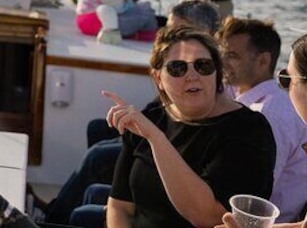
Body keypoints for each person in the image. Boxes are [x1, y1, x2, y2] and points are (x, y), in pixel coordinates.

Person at [41, 0, 222, 226]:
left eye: (178, 29)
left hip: (173, 150)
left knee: (97, 157)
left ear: (205, 32)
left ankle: (49, 219)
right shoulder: (178, 59)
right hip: (160, 132)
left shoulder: (207, 76)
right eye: (168, 28)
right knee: (99, 129)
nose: (169, 35)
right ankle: (56, 210)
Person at [105, 26, 275, 227]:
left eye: (203, 66)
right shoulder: (152, 116)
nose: (192, 76)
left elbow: (207, 216)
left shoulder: (248, 130)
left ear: (217, 73)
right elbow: (120, 206)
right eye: (177, 68)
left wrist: (156, 138)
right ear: (158, 78)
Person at [218, 17, 307, 222]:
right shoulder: (246, 102)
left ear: (263, 61)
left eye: (286, 79)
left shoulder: (268, 116)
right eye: (222, 54)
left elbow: (255, 193)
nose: (222, 62)